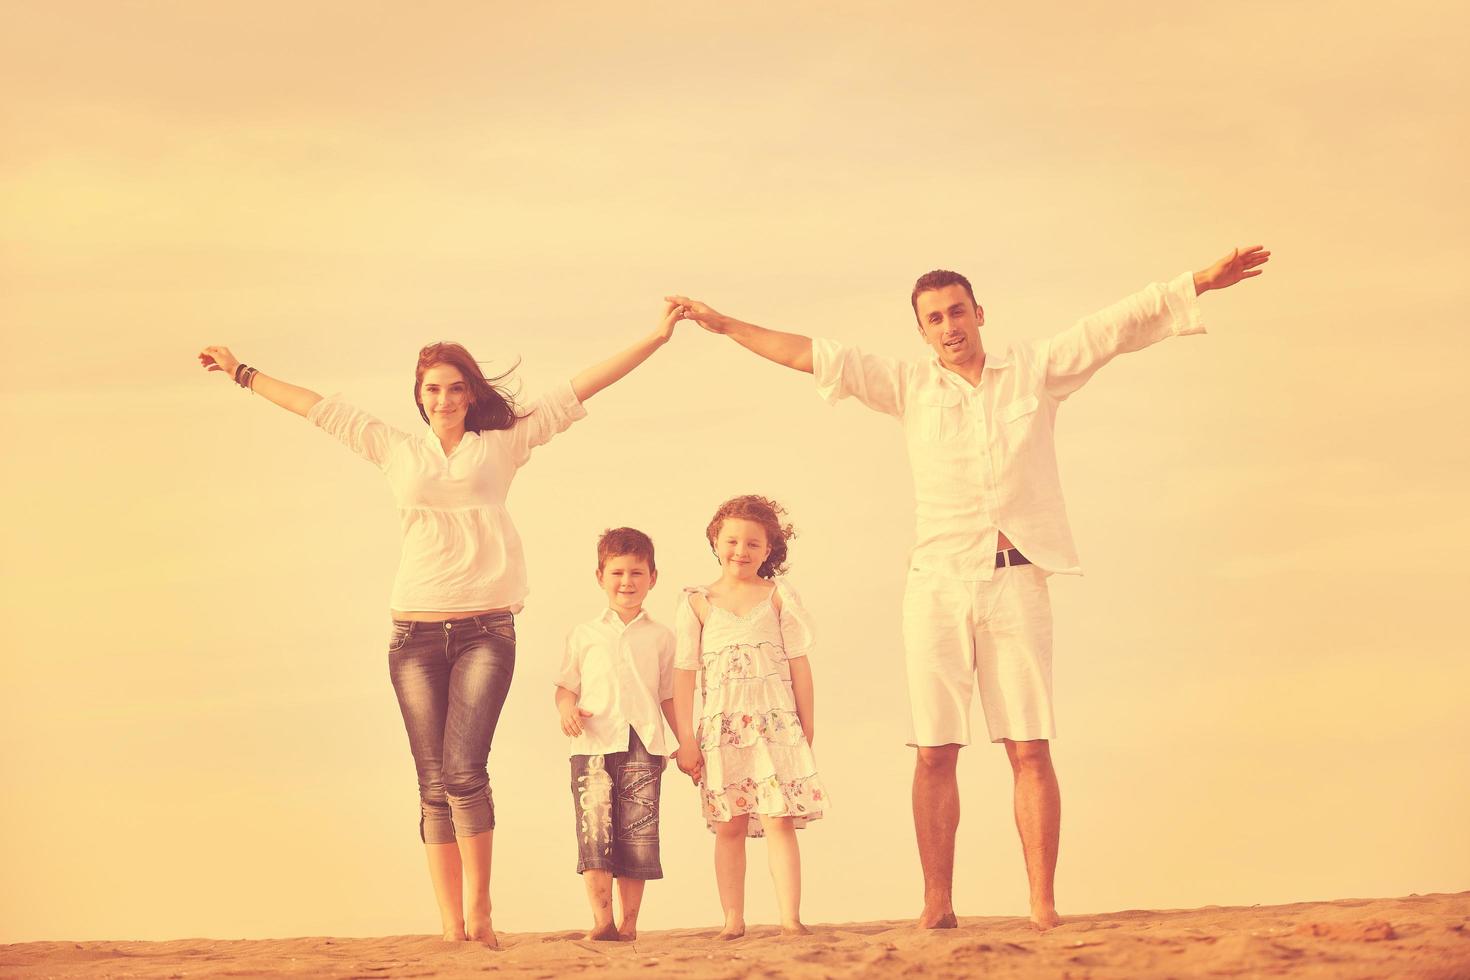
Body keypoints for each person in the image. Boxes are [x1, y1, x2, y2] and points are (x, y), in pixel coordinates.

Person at [666, 246, 1270, 931]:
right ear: (921, 331)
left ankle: (1042, 905)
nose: (948, 324)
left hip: (1018, 580)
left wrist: (1198, 282)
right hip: (938, 585)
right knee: (934, 748)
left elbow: (1112, 327)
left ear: (979, 314)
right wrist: (726, 325)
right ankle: (937, 905)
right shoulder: (907, 386)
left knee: (1030, 744)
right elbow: (810, 353)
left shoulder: (1033, 372)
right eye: (933, 318)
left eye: (957, 311)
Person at [196, 302, 687, 947]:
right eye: (433, 389)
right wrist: (241, 371)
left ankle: (480, 915)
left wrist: (655, 335)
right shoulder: (395, 449)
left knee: (463, 770)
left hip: (487, 628)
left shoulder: (503, 443)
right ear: (420, 397)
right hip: (413, 634)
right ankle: (451, 926)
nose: (446, 398)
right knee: (431, 783)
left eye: (457, 387)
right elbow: (316, 407)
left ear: (470, 392)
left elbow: (581, 386)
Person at [672, 494, 826, 939]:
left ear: (769, 549)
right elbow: (684, 674)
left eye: (753, 544)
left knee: (778, 819)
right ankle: (732, 920)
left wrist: (806, 725)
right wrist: (686, 737)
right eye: (732, 541)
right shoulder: (697, 602)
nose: (741, 551)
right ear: (715, 541)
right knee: (730, 825)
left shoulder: (779, 597)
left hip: (775, 727)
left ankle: (790, 919)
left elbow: (800, 664)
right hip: (722, 730)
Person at [554, 527, 677, 942]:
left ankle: (629, 925)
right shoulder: (584, 634)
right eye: (618, 572)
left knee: (637, 836)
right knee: (595, 833)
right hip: (592, 744)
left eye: (637, 573)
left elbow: (668, 696)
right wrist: (567, 708)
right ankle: (602, 921)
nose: (627, 582)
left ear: (653, 577)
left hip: (644, 743)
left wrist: (687, 744)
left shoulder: (662, 637)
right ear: (600, 576)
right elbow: (565, 686)